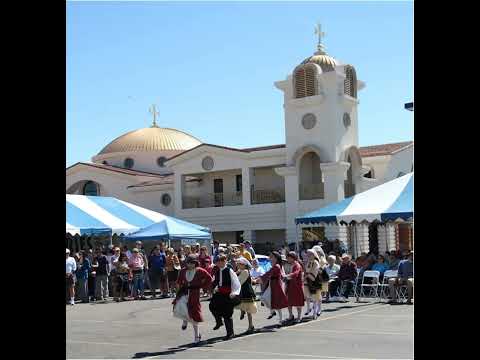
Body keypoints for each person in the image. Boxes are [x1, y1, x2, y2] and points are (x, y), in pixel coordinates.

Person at [174, 254, 213, 343]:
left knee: (194, 314)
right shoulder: (183, 271)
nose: (190, 265)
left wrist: (203, 287)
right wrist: (177, 292)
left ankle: (197, 336)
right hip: (184, 291)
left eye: (192, 263)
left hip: (195, 293)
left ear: (196, 263)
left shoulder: (200, 271)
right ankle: (185, 320)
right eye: (188, 263)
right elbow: (179, 282)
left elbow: (209, 279)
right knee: (180, 305)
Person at [209, 254, 241, 340]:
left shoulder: (229, 270)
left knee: (227, 313)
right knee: (212, 306)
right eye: (217, 262)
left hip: (228, 294)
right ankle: (219, 321)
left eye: (220, 261)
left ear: (224, 261)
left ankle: (230, 333)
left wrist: (234, 292)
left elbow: (236, 282)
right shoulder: (218, 271)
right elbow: (215, 282)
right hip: (220, 293)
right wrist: (213, 288)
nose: (218, 263)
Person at [259, 251, 289, 325]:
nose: (270, 258)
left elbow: (269, 273)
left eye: (272, 257)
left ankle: (280, 320)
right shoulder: (275, 265)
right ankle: (272, 311)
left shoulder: (277, 266)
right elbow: (270, 273)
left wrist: (260, 279)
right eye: (270, 257)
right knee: (264, 298)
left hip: (276, 286)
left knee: (277, 303)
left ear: (276, 258)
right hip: (271, 285)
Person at [235, 257, 257, 333]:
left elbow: (239, 281)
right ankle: (242, 311)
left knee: (248, 310)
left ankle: (250, 326)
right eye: (238, 264)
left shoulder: (245, 271)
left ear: (243, 265)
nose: (238, 265)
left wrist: (235, 277)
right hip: (242, 291)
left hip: (246, 291)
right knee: (241, 303)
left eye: (239, 264)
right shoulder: (240, 271)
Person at [283, 252, 305, 323]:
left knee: (298, 302)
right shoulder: (289, 264)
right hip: (290, 285)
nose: (287, 259)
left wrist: (287, 276)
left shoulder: (297, 265)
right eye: (287, 257)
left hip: (297, 286)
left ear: (293, 258)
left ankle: (299, 317)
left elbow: (295, 273)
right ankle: (290, 315)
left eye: (289, 257)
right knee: (289, 302)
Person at [303, 249, 323, 319]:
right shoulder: (308, 262)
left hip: (315, 282)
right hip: (307, 281)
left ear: (314, 255)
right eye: (307, 254)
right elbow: (306, 271)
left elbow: (314, 272)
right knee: (308, 296)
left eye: (310, 254)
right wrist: (304, 276)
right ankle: (310, 309)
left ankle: (315, 312)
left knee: (316, 298)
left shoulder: (315, 262)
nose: (308, 255)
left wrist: (307, 275)